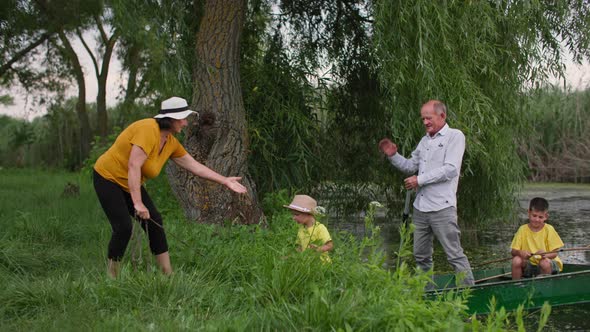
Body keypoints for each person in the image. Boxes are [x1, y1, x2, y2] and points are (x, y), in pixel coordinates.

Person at [93, 96, 247, 278]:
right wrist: (138, 203)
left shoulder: (170, 142)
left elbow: (194, 166)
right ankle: (112, 276)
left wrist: (225, 180)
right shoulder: (147, 129)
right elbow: (133, 165)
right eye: (182, 119)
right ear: (171, 119)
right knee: (124, 227)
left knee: (154, 221)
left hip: (130, 182)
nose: (185, 123)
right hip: (107, 177)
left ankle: (168, 274)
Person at [378, 100, 474, 286]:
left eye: (428, 118)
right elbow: (410, 166)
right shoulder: (424, 141)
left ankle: (469, 294)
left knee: (454, 254)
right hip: (421, 209)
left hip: (442, 208)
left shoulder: (455, 136)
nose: (425, 122)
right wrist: (393, 156)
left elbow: (451, 170)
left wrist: (419, 180)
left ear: (442, 116)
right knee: (420, 255)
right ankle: (427, 292)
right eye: (423, 119)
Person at [510, 197, 564, 280]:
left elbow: (555, 253)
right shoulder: (522, 229)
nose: (536, 219)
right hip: (530, 265)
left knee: (544, 262)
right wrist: (520, 252)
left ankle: (544, 288)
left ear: (546, 216)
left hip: (548, 265)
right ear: (529, 212)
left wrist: (546, 254)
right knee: (516, 260)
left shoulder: (549, 229)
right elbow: (513, 251)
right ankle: (516, 286)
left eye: (540, 217)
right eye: (534, 215)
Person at [284, 195, 333, 262]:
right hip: (307, 264)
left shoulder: (320, 228)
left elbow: (330, 246)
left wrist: (318, 249)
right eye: (293, 215)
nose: (294, 218)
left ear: (308, 214)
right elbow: (300, 248)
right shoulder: (301, 229)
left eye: (297, 214)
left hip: (321, 264)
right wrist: (290, 256)